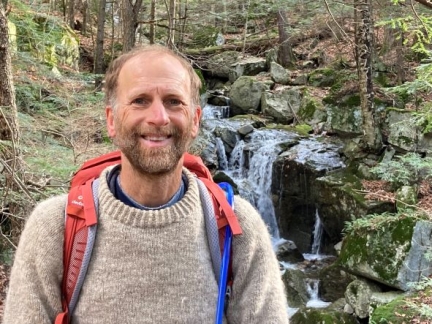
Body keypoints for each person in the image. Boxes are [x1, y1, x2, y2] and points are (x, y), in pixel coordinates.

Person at [3, 45, 288, 324]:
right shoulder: (56, 226)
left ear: (195, 121)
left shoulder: (237, 227)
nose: (158, 117)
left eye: (174, 101)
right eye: (140, 100)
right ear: (111, 120)